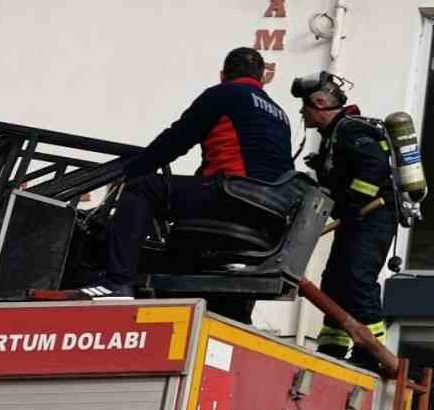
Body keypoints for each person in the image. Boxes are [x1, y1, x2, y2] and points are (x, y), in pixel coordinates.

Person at [65, 47, 292, 298]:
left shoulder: (224, 93)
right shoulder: (280, 114)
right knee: (184, 201)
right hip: (268, 212)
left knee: (143, 188)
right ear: (261, 79)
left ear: (222, 75)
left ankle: (117, 281)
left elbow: (177, 139)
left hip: (234, 196)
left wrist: (134, 169)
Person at [294, 72, 397, 368]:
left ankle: (370, 352)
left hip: (373, 216)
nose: (303, 112)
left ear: (321, 102)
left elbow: (374, 166)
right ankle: (333, 347)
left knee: (356, 277)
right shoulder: (335, 136)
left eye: (306, 106)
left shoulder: (350, 130)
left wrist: (354, 202)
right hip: (357, 219)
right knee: (335, 281)